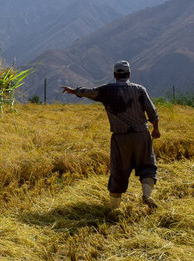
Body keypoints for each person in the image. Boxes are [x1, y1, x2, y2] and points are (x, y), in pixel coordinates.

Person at [62, 60, 161, 209]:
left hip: (120, 138)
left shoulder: (107, 90)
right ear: (129, 74)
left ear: (114, 75)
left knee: (119, 171)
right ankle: (147, 195)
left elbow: (89, 92)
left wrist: (73, 90)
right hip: (141, 135)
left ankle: (115, 208)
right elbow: (152, 113)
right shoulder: (140, 89)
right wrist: (156, 129)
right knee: (147, 165)